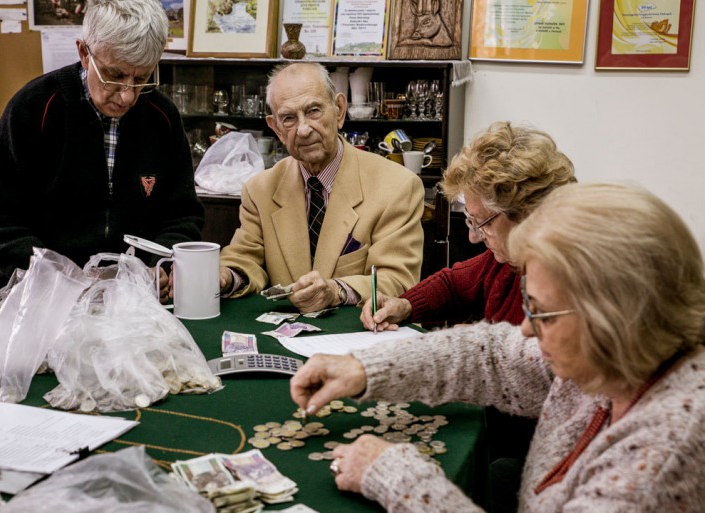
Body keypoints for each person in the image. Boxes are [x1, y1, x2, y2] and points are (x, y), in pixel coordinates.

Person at [290, 182, 705, 512]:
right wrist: (364, 368)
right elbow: (491, 355)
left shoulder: (656, 463)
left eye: (540, 312)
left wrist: (396, 477)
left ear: (611, 319)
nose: (525, 328)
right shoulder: (622, 355)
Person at [0, 0, 203, 299]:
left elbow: (182, 214)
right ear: (84, 53)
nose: (127, 96)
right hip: (36, 298)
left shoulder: (162, 116)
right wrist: (64, 279)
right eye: (114, 76)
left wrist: (159, 264)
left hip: (132, 300)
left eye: (143, 78)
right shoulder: (34, 108)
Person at [219, 62, 424, 313]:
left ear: (339, 110)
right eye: (289, 118)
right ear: (275, 128)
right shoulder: (259, 189)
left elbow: (397, 280)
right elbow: (244, 258)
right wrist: (227, 276)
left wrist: (336, 290)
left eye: (313, 111)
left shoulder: (397, 186)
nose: (303, 129)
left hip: (356, 337)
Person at [360, 121, 576, 331]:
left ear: (525, 214)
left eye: (482, 223)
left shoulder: (567, 280)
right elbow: (453, 285)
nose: (474, 237)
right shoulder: (507, 261)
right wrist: (406, 305)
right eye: (470, 221)